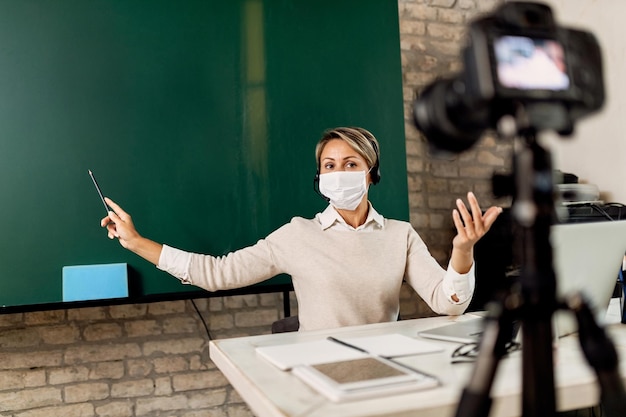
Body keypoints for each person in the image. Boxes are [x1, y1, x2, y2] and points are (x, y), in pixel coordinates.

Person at [101, 127, 502, 331]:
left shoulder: (400, 235)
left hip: (386, 370)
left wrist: (463, 249)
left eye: (351, 163)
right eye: (330, 165)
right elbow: (217, 274)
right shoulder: (296, 235)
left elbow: (449, 303)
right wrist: (136, 243)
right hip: (319, 373)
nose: (339, 172)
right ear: (319, 178)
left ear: (371, 175)